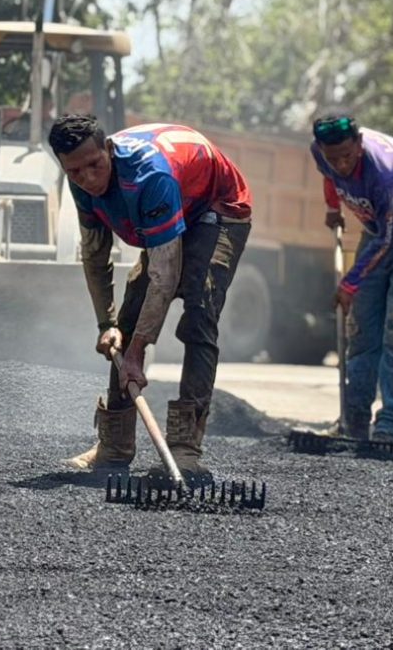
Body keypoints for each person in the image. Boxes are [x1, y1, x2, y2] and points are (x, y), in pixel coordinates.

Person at [48, 114, 252, 482]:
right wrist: (107, 323)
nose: (89, 179)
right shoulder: (79, 184)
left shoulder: (149, 177)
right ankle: (114, 447)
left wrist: (139, 350)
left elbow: (165, 275)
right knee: (127, 321)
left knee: (199, 311)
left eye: (95, 165)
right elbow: (95, 255)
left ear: (109, 149)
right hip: (178, 201)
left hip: (217, 206)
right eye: (76, 172)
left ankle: (185, 450)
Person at [311, 113, 393, 449]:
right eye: (333, 157)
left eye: (347, 156)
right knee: (362, 330)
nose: (340, 164)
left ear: (359, 143)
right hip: (377, 232)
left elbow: (387, 240)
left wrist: (349, 284)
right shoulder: (321, 152)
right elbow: (329, 176)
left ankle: (390, 428)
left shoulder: (383, 169)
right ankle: (353, 422)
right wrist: (331, 207)